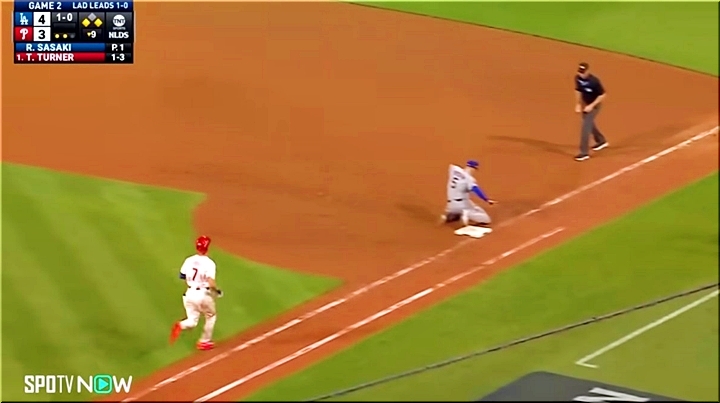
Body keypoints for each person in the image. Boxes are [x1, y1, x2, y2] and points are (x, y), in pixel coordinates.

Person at [169, 235, 223, 350]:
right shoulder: (209, 263)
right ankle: (204, 341)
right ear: (207, 248)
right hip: (202, 294)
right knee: (211, 316)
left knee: (192, 320)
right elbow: (211, 282)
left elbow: (182, 276)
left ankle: (181, 325)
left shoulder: (189, 260)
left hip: (189, 294)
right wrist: (217, 291)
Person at [441, 160, 497, 226]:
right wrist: (486, 199)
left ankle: (450, 215)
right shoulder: (470, 179)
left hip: (450, 204)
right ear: (474, 168)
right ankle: (466, 213)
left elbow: (452, 166)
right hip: (462, 205)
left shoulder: (454, 169)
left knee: (466, 202)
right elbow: (476, 190)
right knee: (486, 219)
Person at [574, 62, 609, 161]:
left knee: (586, 127)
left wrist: (591, 106)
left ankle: (584, 153)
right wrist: (578, 104)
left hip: (595, 105)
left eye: (583, 72)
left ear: (588, 71)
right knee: (589, 123)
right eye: (580, 72)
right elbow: (578, 90)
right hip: (586, 104)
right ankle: (601, 141)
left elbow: (603, 95)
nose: (581, 74)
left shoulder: (594, 81)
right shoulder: (578, 78)